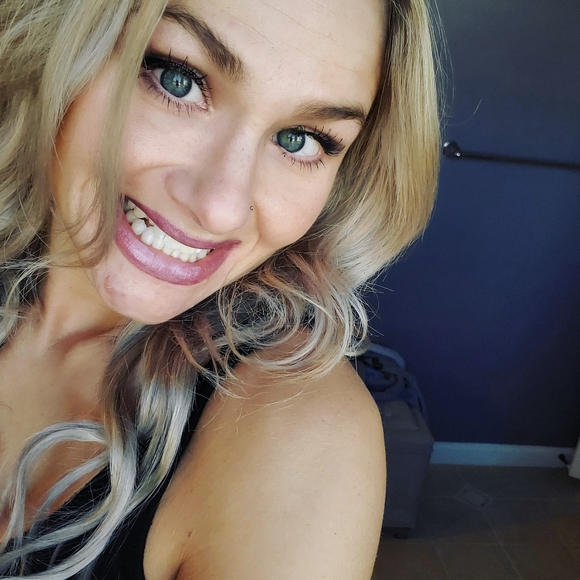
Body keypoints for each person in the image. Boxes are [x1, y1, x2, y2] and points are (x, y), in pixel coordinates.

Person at [0, 0, 439, 577]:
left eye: (300, 139)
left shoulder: (302, 430)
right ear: (62, 42)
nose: (222, 207)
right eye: (178, 80)